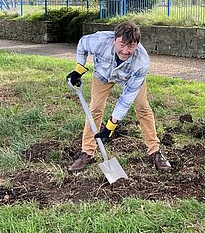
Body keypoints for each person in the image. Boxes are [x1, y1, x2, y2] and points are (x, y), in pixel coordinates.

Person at [66, 21, 171, 173]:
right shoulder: (100, 41)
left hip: (129, 78)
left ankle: (154, 151)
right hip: (103, 75)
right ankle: (87, 152)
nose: (125, 51)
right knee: (94, 109)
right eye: (122, 45)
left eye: (131, 46)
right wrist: (79, 69)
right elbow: (82, 44)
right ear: (114, 39)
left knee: (142, 107)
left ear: (137, 44)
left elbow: (125, 99)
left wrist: (110, 126)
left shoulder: (142, 62)